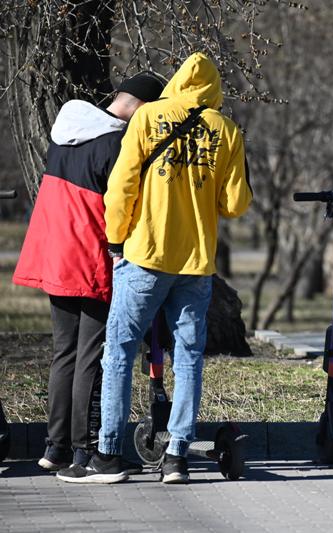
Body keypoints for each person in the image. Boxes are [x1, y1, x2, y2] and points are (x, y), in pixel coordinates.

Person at [58, 52, 252, 484]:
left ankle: (108, 454)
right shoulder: (226, 129)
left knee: (119, 354)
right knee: (189, 359)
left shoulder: (148, 119)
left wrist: (114, 238)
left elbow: (122, 185)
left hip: (144, 256)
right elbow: (236, 204)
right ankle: (177, 457)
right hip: (195, 262)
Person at [13, 73, 165, 472]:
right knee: (90, 357)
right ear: (143, 107)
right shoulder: (118, 144)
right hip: (91, 256)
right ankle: (84, 449)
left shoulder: (66, 130)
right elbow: (122, 208)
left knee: (64, 353)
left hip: (55, 254)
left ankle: (53, 448)